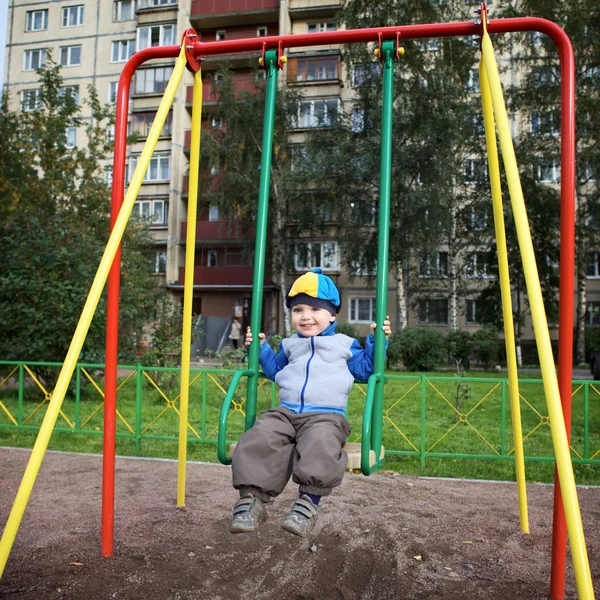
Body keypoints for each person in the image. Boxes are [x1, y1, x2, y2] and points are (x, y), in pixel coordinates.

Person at [230, 268, 391, 537]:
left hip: (326, 417)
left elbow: (366, 369)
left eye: (315, 309)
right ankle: (251, 502)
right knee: (259, 435)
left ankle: (306, 505)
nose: (306, 316)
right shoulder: (290, 345)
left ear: (331, 314)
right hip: (285, 413)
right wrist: (261, 349)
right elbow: (275, 370)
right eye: (298, 310)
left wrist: (377, 340)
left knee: (320, 443)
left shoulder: (344, 344)